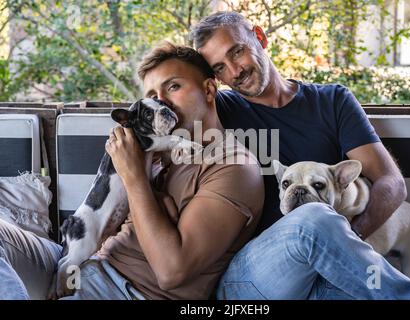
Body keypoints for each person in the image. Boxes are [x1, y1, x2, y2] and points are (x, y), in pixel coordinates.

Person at [190, 11, 410, 300]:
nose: (234, 71)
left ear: (260, 38)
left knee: (363, 280)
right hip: (256, 276)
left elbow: (390, 182)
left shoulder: (332, 101)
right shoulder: (219, 110)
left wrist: (348, 241)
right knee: (314, 216)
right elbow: (171, 99)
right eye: (220, 68)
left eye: (237, 52)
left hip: (329, 271)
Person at [0, 42, 264, 300]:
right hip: (80, 260)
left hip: (124, 289)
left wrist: (133, 174)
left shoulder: (233, 167)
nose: (162, 103)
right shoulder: (157, 150)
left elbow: (171, 272)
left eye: (173, 86)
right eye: (152, 97)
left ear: (208, 90)